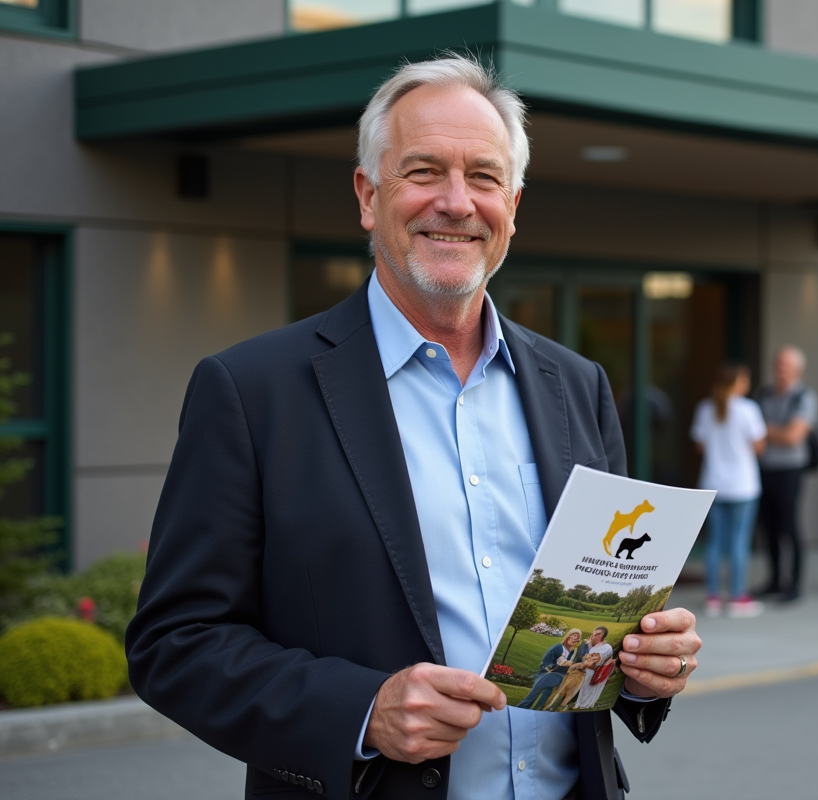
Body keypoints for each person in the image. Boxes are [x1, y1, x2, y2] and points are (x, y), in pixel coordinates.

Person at [125, 54, 700, 800]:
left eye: (484, 177)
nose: (457, 203)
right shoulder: (250, 391)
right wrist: (361, 711)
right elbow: (175, 643)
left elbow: (597, 625)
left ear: (513, 206)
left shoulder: (577, 386)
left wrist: (648, 671)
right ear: (369, 196)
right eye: (424, 171)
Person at [691, 363, 767, 618]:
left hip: (713, 483)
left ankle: (713, 597)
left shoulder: (705, 408)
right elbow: (759, 446)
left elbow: (700, 446)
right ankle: (737, 596)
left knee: (715, 542)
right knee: (739, 541)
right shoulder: (748, 409)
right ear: (737, 382)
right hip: (742, 485)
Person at [755, 346, 818, 602]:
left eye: (784, 364)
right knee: (767, 528)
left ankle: (793, 584)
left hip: (790, 470)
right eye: (777, 363)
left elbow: (794, 437)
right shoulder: (765, 395)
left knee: (789, 526)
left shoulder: (804, 396)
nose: (779, 368)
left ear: (797, 369)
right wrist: (775, 431)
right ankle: (774, 580)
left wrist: (766, 430)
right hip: (764, 469)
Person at [518, 628, 583, 710]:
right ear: (568, 636)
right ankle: (522, 708)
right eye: (574, 636)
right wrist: (572, 665)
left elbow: (566, 665)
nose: (575, 640)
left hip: (557, 675)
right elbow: (557, 662)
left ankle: (537, 709)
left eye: (577, 640)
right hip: (546, 673)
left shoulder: (572, 652)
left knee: (546, 694)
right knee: (533, 695)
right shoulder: (558, 647)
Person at [572, 627, 614, 710]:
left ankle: (583, 704)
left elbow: (596, 662)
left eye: (598, 634)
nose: (594, 636)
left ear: (603, 635)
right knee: (583, 688)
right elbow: (586, 659)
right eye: (594, 634)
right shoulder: (593, 647)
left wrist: (583, 664)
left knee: (589, 688)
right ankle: (579, 704)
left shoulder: (607, 647)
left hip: (596, 672)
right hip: (587, 671)